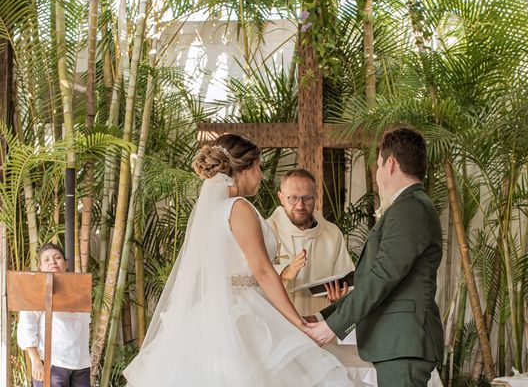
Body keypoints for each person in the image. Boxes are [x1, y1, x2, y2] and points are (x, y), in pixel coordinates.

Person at [123, 134, 357, 386]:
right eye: (258, 167)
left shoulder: (213, 211)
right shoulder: (239, 208)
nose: (261, 176)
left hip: (214, 309)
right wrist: (297, 323)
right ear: (244, 168)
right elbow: (263, 272)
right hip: (245, 312)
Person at [306, 127, 444, 387]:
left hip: (403, 342)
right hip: (398, 344)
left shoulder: (410, 208)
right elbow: (375, 277)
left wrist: (332, 327)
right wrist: (323, 317)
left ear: (390, 164)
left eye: (379, 164)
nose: (378, 172)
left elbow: (383, 276)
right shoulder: (408, 207)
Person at [269, 168, 354, 316]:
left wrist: (338, 298)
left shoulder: (332, 234)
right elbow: (251, 280)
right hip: (280, 323)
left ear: (316, 197)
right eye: (293, 198)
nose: (300, 205)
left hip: (319, 326)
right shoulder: (267, 230)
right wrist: (284, 274)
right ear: (281, 198)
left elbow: (346, 281)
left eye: (307, 198)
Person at [17, 243, 91, 387]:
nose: (53, 261)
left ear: (65, 263)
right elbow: (27, 325)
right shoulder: (35, 290)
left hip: (80, 364)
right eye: (47, 259)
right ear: (41, 266)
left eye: (57, 258)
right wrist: (36, 361)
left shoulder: (79, 289)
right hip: (52, 363)